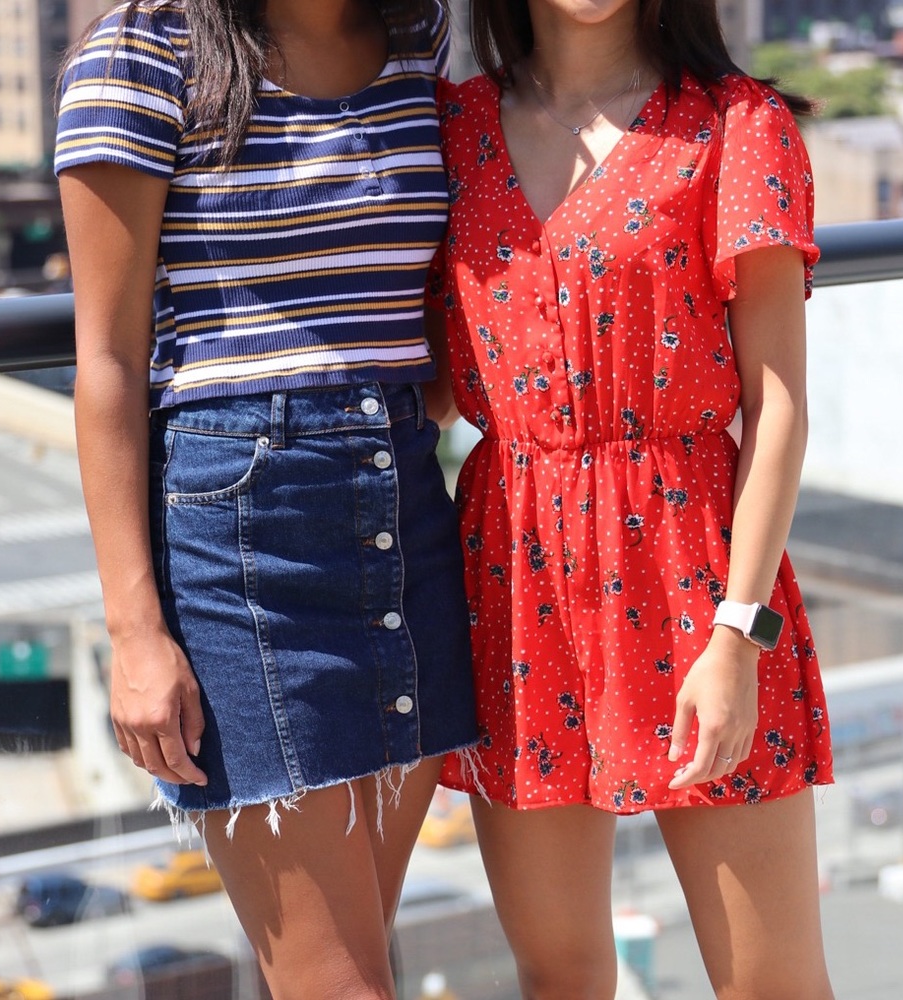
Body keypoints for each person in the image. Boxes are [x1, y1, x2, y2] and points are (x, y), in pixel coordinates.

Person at [54, 2, 477, 996]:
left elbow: (430, 289)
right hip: (247, 531)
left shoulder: (414, 31)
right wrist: (133, 632)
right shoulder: (144, 52)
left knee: (364, 955)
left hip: (407, 503)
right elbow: (108, 362)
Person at [426, 2, 836, 998]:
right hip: (513, 581)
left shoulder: (738, 125)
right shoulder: (453, 129)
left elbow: (777, 407)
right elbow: (429, 372)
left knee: (769, 982)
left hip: (696, 577)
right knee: (560, 975)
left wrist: (737, 634)